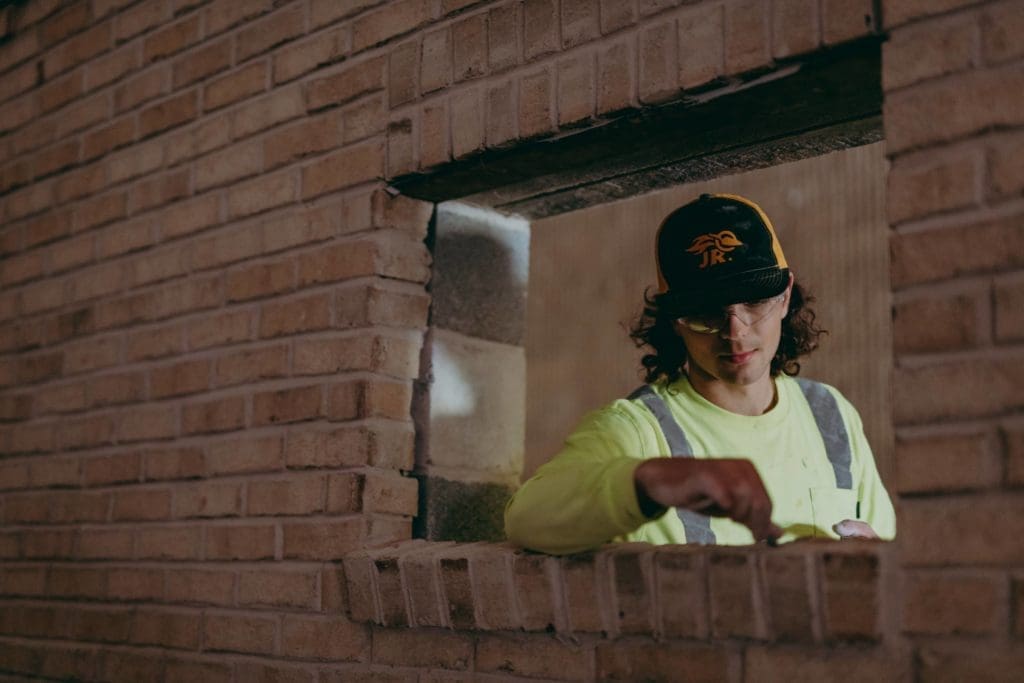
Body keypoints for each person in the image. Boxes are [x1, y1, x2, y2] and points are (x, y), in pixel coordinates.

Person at [504, 193, 896, 555]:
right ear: (675, 320)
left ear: (785, 296)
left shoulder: (831, 415)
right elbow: (525, 520)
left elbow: (889, 553)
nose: (736, 331)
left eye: (755, 301)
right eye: (708, 312)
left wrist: (876, 554)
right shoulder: (638, 431)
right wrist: (654, 480)